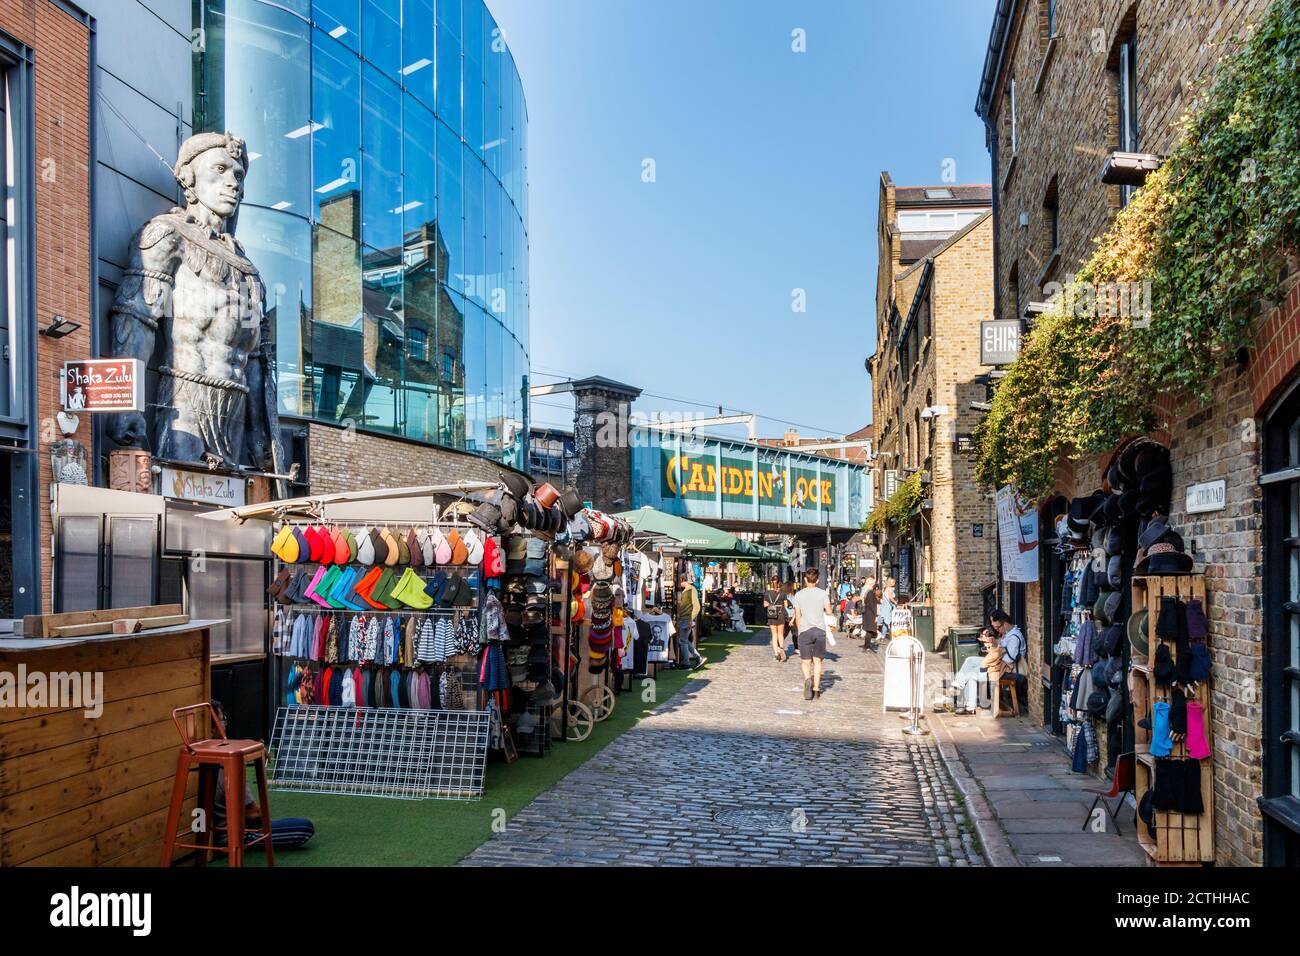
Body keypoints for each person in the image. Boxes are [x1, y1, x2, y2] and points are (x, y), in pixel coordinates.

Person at [790, 567, 833, 700]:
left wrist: (800, 629)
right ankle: (816, 689)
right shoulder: (822, 594)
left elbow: (797, 615)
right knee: (818, 661)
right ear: (818, 580)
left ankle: (808, 679)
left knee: (805, 661)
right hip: (819, 630)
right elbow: (830, 611)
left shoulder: (799, 595)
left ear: (805, 579)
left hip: (805, 630)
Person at [675, 571, 704, 669]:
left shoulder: (691, 590)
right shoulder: (689, 590)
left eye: (680, 581)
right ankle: (697, 657)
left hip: (686, 618)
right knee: (683, 640)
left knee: (682, 641)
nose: (679, 583)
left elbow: (697, 606)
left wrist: (690, 620)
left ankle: (687, 663)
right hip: (685, 618)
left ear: (683, 580)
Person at [763, 575, 788, 662]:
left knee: (774, 635)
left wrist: (771, 604)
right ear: (779, 583)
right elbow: (786, 605)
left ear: (771, 582)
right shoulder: (783, 593)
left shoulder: (767, 593)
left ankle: (776, 654)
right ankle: (781, 648)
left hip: (771, 614)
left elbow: (765, 605)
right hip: (781, 614)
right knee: (780, 634)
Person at [860, 575, 879, 651]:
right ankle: (866, 646)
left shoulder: (868, 592)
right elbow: (872, 604)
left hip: (868, 612)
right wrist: (876, 614)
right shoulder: (870, 592)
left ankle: (867, 645)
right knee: (870, 630)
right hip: (870, 613)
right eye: (874, 583)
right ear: (872, 584)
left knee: (869, 630)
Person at [877, 578, 897, 642]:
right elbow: (891, 598)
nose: (894, 583)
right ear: (891, 582)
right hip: (889, 607)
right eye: (894, 582)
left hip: (884, 606)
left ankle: (883, 636)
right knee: (891, 621)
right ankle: (893, 636)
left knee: (885, 622)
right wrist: (895, 602)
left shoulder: (885, 588)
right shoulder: (890, 589)